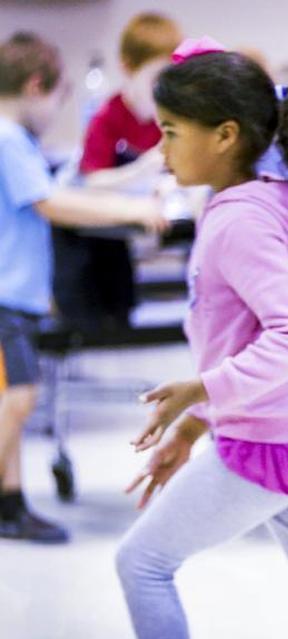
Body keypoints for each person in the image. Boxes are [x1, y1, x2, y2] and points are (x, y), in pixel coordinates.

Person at [114, 19, 288, 639]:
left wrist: (200, 391)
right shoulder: (268, 197)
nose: (159, 149)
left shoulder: (239, 220)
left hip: (273, 443)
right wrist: (195, 423)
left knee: (141, 563)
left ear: (224, 135)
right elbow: (253, 338)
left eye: (169, 132)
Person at [0, 32, 168, 543]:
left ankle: (11, 505)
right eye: (56, 99)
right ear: (35, 86)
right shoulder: (7, 137)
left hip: (18, 298)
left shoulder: (14, 140)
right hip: (5, 298)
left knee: (15, 401)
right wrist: (134, 209)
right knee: (18, 399)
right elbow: (51, 202)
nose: (55, 112)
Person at [54, 12, 182, 332]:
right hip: (101, 232)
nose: (160, 88)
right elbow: (93, 179)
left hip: (149, 220)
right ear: (128, 67)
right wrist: (143, 169)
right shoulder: (107, 117)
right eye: (155, 77)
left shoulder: (169, 117)